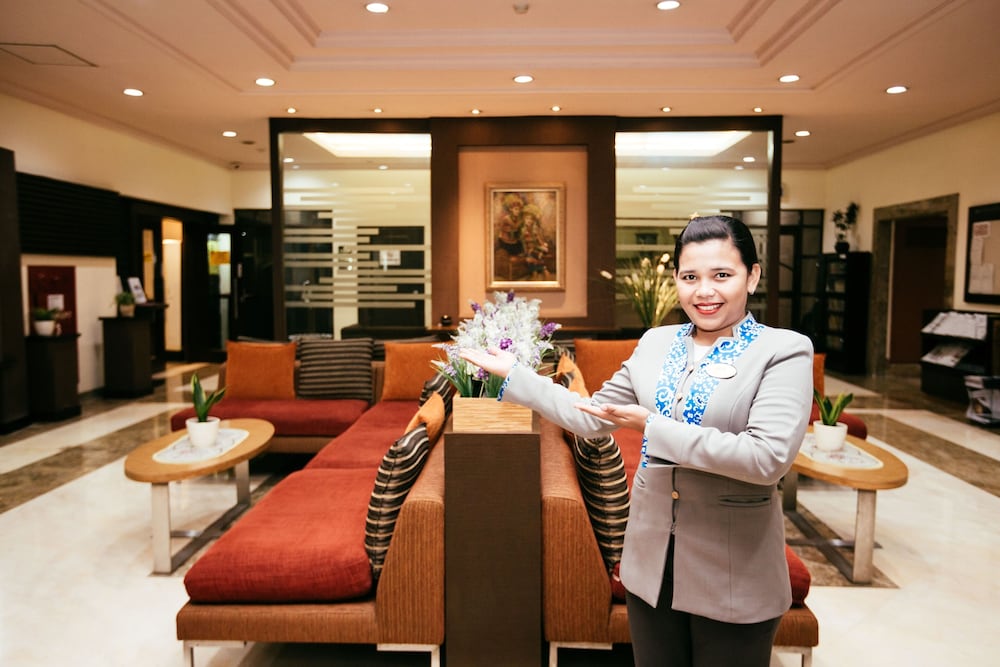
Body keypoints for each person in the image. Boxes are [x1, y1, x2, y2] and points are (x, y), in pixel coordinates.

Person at [460, 215, 813, 667]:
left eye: (722, 275)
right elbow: (590, 416)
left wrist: (653, 426)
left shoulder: (783, 351)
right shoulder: (656, 343)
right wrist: (517, 376)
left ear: (753, 276)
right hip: (651, 565)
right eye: (690, 277)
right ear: (676, 280)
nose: (704, 291)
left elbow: (766, 459)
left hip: (734, 570)